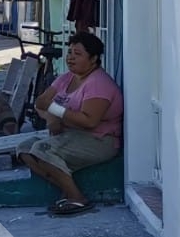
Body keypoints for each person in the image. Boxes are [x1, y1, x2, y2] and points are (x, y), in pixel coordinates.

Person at [20, 30, 123, 216]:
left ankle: (77, 198)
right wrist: (52, 118)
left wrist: (55, 111)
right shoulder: (67, 78)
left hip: (99, 140)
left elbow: (89, 121)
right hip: (70, 135)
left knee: (41, 150)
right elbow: (41, 103)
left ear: (93, 59)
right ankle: (66, 190)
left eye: (78, 54)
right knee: (24, 149)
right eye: (69, 52)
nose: (70, 58)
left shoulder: (98, 83)